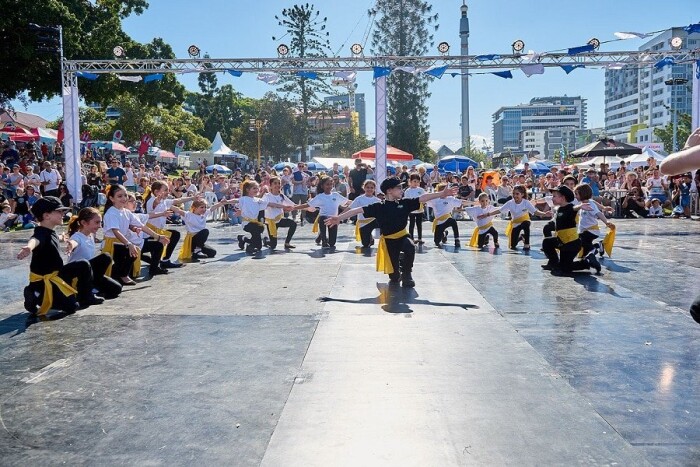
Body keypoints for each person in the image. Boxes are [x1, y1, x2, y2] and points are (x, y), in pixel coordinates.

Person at [325, 177, 459, 288]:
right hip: (389, 241)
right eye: (399, 188)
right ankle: (398, 269)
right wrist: (339, 218)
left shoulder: (404, 203)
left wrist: (442, 194)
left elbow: (423, 198)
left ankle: (407, 273)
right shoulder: (379, 206)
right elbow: (357, 210)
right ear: (389, 191)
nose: (402, 190)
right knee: (394, 278)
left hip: (402, 236)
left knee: (410, 246)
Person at [17, 197, 104, 315]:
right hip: (45, 281)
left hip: (58, 274)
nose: (63, 214)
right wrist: (29, 247)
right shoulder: (40, 233)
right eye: (59, 211)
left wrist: (61, 237)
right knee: (71, 306)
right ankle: (35, 294)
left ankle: (86, 296)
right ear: (47, 216)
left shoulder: (50, 231)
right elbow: (35, 240)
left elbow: (51, 238)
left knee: (83, 265)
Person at [102, 185, 169, 285]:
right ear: (112, 198)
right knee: (132, 252)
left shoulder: (126, 212)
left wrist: (158, 237)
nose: (124, 198)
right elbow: (116, 231)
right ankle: (121, 275)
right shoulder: (111, 213)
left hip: (122, 242)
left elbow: (141, 226)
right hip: (113, 243)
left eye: (125, 195)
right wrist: (129, 244)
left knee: (134, 252)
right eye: (119, 196)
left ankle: (121, 274)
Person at [65, 208, 122, 299]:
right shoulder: (77, 236)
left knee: (116, 289)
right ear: (84, 223)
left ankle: (95, 285)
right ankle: (86, 290)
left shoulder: (91, 235)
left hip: (90, 273)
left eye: (100, 222)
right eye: (97, 222)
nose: (100, 226)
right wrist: (71, 245)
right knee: (105, 257)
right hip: (79, 275)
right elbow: (74, 241)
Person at [540, 186, 599, 274]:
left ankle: (586, 263)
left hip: (571, 244)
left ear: (563, 198)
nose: (552, 198)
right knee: (547, 242)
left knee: (565, 268)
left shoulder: (570, 207)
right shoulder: (559, 208)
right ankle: (553, 262)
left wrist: (580, 206)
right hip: (561, 240)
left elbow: (573, 209)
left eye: (554, 196)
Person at [143, 180, 199, 268]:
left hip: (159, 231)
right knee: (169, 238)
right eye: (165, 190)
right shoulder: (152, 200)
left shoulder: (164, 201)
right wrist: (158, 201)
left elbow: (178, 200)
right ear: (156, 192)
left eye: (168, 190)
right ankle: (157, 262)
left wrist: (192, 198)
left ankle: (164, 260)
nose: (168, 192)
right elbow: (154, 206)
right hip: (150, 232)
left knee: (175, 234)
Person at [481, 185, 550, 251]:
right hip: (515, 223)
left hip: (524, 220)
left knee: (526, 224)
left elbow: (535, 212)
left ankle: (527, 243)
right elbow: (500, 210)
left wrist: (544, 214)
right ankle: (521, 237)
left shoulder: (526, 202)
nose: (515, 196)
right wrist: (488, 214)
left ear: (522, 194)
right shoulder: (510, 203)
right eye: (513, 193)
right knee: (513, 245)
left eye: (517, 194)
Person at [296, 176, 352, 249]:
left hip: (333, 219)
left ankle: (320, 236)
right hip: (323, 218)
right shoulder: (320, 196)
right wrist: (295, 207)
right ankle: (324, 240)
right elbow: (308, 204)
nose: (329, 186)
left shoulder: (336, 195)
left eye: (330, 184)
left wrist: (359, 202)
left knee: (332, 243)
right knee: (323, 218)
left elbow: (347, 202)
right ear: (322, 186)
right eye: (327, 184)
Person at [235, 180, 288, 255]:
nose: (256, 190)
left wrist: (284, 207)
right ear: (247, 190)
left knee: (259, 246)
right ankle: (250, 247)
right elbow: (235, 201)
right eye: (254, 188)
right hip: (247, 223)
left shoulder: (258, 200)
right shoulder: (244, 199)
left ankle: (243, 238)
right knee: (258, 229)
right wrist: (224, 202)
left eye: (257, 188)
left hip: (255, 223)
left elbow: (271, 204)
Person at [573, 183, 615, 263]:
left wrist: (606, 222)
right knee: (584, 246)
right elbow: (595, 202)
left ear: (583, 194)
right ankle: (598, 246)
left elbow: (599, 213)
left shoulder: (590, 205)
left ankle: (593, 250)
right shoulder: (587, 202)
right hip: (584, 230)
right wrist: (604, 208)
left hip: (591, 230)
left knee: (582, 241)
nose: (575, 196)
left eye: (576, 194)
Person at [425, 183, 470, 248]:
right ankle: (444, 234)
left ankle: (457, 239)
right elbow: (425, 199)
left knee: (453, 221)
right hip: (439, 221)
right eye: (443, 191)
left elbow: (461, 202)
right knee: (437, 242)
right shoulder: (435, 199)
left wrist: (474, 203)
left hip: (447, 219)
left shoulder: (450, 199)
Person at [262, 176, 298, 250]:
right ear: (270, 185)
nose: (277, 185)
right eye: (275, 183)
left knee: (293, 224)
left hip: (279, 219)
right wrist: (283, 207)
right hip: (271, 222)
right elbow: (270, 204)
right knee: (273, 245)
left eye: (279, 183)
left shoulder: (281, 195)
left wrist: (307, 207)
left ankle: (287, 243)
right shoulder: (266, 196)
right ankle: (266, 241)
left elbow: (292, 204)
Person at [349, 180, 381, 248]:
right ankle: (370, 237)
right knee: (365, 244)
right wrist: (338, 217)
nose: (369, 189)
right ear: (364, 188)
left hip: (374, 221)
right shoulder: (359, 199)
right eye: (368, 187)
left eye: (372, 187)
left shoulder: (378, 200)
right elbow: (350, 209)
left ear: (374, 189)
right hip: (363, 223)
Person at [404, 174, 426, 244]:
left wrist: (423, 203)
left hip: (419, 210)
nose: (416, 183)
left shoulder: (421, 190)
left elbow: (424, 198)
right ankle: (411, 238)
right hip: (412, 211)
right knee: (411, 225)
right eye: (414, 181)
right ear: (410, 181)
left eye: (417, 181)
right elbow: (406, 200)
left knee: (419, 224)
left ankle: (420, 238)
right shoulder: (407, 191)